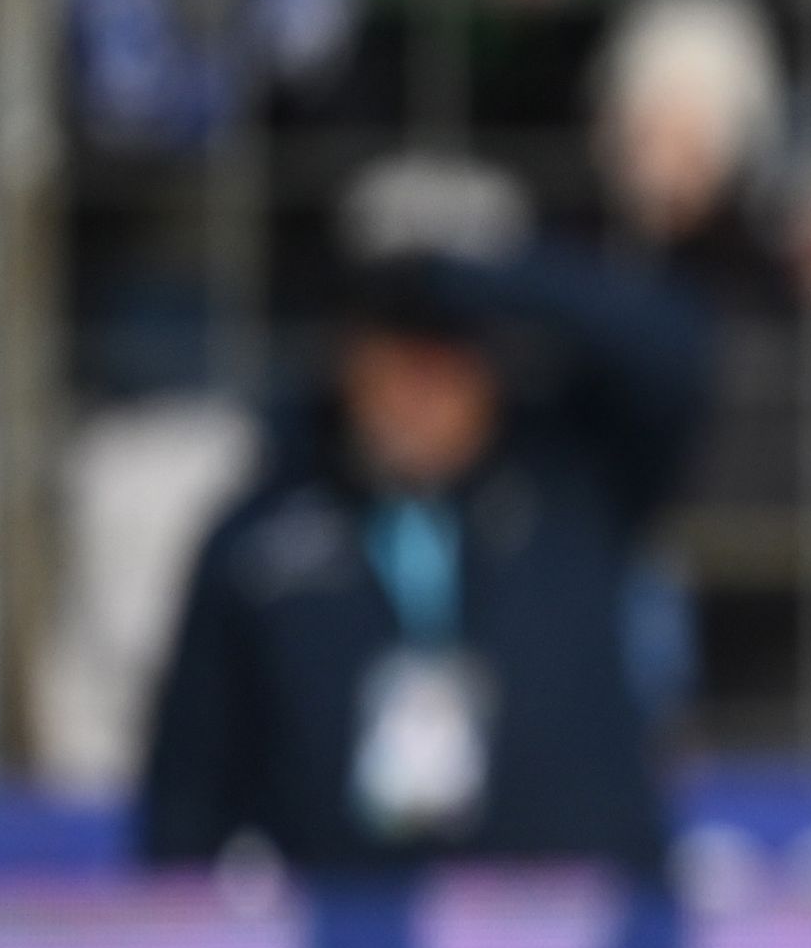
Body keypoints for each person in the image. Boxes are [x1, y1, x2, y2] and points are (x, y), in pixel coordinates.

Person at [134, 232, 710, 878]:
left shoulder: (572, 485)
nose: (420, 397)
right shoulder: (264, 536)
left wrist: (480, 278)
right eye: (396, 364)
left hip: (573, 930)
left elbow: (674, 349)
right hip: (347, 936)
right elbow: (186, 786)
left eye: (445, 366)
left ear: (490, 373)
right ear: (348, 365)